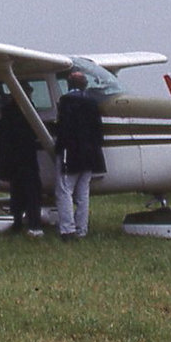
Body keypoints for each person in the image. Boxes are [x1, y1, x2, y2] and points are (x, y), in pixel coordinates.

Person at [54, 70, 105, 240]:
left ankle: (67, 230)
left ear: (69, 85)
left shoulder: (66, 102)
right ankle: (82, 230)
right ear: (85, 85)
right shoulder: (92, 102)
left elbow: (64, 130)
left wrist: (58, 148)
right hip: (90, 155)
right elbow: (98, 131)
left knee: (65, 191)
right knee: (83, 194)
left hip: (71, 154)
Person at [0, 87, 43, 235]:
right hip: (25, 158)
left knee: (17, 191)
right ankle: (33, 224)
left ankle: (18, 222)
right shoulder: (25, 109)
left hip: (15, 159)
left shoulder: (8, 110)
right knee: (32, 191)